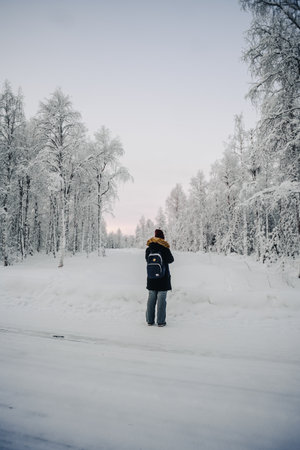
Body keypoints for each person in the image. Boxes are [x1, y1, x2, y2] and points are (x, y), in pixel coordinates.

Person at [145, 229, 174, 327]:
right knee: (161, 301)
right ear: (162, 237)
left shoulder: (149, 248)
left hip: (151, 278)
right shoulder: (164, 247)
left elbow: (146, 259)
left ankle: (150, 321)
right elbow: (171, 260)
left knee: (151, 300)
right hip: (163, 278)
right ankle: (161, 322)